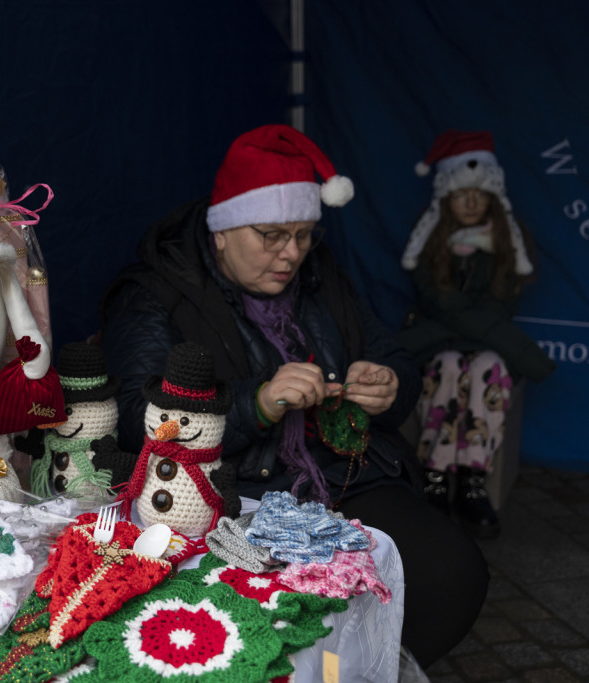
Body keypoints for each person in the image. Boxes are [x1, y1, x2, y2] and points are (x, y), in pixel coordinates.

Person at [99, 124, 487, 668]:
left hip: (348, 475)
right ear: (222, 231)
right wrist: (257, 402)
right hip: (234, 495)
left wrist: (390, 385)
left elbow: (391, 355)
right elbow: (137, 420)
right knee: (268, 620)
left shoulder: (319, 276)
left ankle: (370, 667)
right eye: (272, 235)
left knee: (451, 573)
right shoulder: (157, 292)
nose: (291, 254)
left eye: (304, 235)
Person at [398, 130, 555, 538]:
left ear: (491, 199)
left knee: (489, 367)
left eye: (479, 194)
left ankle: (471, 480)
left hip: (483, 343)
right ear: (446, 199)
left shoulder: (508, 244)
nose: (470, 202)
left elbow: (498, 310)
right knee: (449, 367)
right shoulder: (428, 240)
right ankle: (435, 476)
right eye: (461, 194)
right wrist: (456, 324)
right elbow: (435, 301)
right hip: (442, 347)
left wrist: (455, 324)